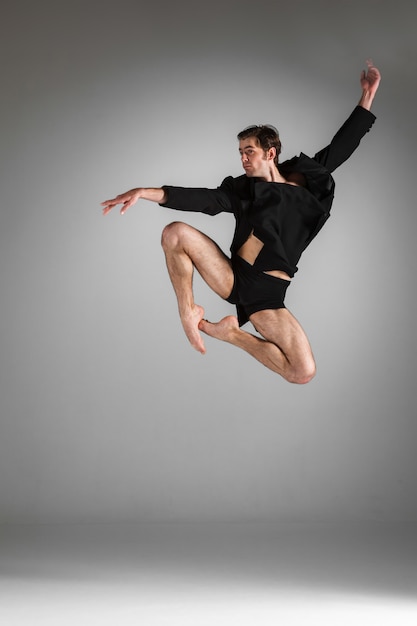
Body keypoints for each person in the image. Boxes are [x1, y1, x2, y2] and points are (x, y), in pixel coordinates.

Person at [101, 61, 381, 384]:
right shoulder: (242, 192)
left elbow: (341, 147)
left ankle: (230, 334)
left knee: (302, 370)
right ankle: (187, 313)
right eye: (240, 152)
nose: (243, 158)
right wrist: (146, 192)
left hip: (269, 296)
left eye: (249, 151)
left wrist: (367, 97)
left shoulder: (304, 180)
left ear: (271, 153)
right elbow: (203, 199)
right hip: (235, 277)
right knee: (173, 233)